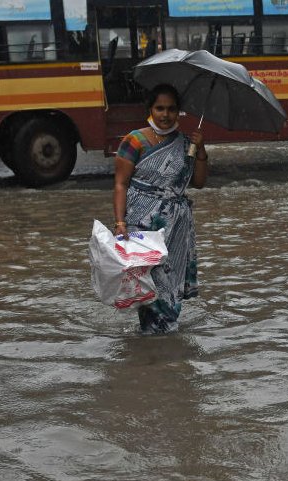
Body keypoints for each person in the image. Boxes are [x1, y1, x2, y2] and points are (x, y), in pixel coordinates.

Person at [113, 83, 207, 334]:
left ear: (179, 112)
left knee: (171, 280)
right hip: (140, 225)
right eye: (160, 108)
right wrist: (120, 222)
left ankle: (161, 339)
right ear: (150, 109)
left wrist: (201, 151)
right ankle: (157, 336)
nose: (165, 115)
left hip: (176, 226)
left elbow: (198, 182)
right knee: (150, 281)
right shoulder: (134, 140)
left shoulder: (187, 143)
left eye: (172, 109)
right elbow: (121, 184)